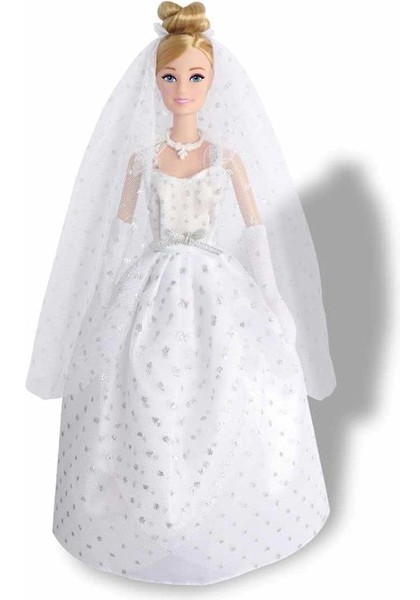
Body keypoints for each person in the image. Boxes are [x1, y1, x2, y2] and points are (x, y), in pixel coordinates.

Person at [25, 1, 336, 586]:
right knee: (140, 387)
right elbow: (118, 236)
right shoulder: (142, 160)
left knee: (228, 384)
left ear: (213, 82)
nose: (182, 89)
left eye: (195, 77)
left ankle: (226, 516)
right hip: (151, 285)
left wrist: (272, 299)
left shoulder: (226, 159)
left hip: (217, 286)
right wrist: (102, 301)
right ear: (155, 82)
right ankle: (139, 514)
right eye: (170, 77)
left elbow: (256, 233)